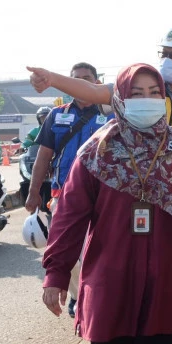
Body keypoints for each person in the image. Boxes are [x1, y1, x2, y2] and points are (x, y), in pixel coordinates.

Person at [42, 63, 172, 344]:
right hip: (110, 283)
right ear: (120, 99)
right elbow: (69, 218)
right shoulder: (97, 151)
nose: (146, 100)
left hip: (168, 281)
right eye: (136, 94)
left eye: (153, 92)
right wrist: (56, 274)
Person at [27, 21, 172, 177]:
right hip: (132, 191)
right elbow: (93, 91)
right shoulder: (133, 89)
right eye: (164, 53)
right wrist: (52, 79)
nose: (167, 60)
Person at [27, 62, 114, 317]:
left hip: (103, 196)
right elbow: (43, 156)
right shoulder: (57, 115)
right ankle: (78, 296)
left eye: (87, 79)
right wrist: (33, 192)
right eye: (76, 79)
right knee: (66, 250)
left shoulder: (111, 114)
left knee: (100, 251)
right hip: (62, 195)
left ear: (96, 83)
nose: (81, 83)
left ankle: (103, 296)